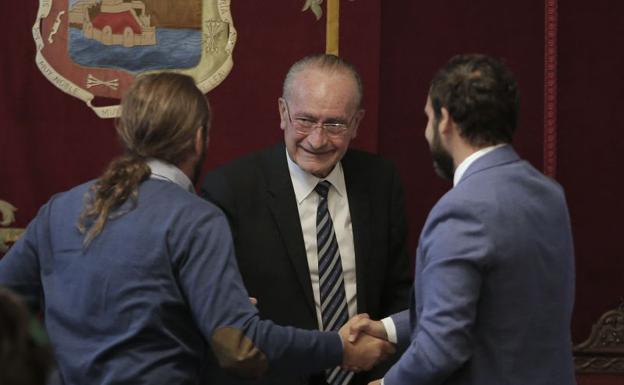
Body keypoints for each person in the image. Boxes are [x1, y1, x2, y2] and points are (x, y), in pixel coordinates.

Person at [0, 73, 394, 385]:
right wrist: (336, 348)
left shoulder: (59, 210)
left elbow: (6, 303)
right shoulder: (196, 219)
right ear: (199, 137)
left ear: (127, 131)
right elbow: (240, 348)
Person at [349, 54, 576, 385]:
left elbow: (443, 345)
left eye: (427, 119)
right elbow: (490, 310)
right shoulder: (550, 194)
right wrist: (385, 328)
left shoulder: (462, 210)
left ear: (446, 120)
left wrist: (387, 384)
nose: (426, 133)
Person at [200, 54, 412, 385]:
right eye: (305, 120)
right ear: (283, 113)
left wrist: (387, 377)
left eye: (334, 124)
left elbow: (399, 293)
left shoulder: (381, 181)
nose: (317, 139)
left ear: (356, 123)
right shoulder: (230, 191)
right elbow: (226, 324)